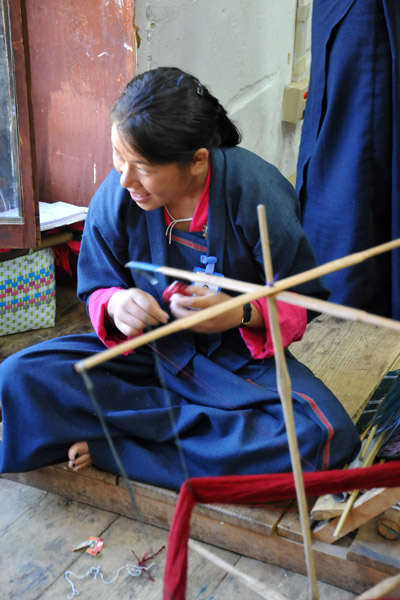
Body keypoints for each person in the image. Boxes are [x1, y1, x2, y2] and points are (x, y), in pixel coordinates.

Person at [0, 67, 360, 491]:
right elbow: (97, 286)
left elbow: (301, 297)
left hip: (234, 364)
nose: (125, 178)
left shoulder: (255, 192)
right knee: (19, 375)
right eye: (119, 156)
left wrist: (241, 312)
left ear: (197, 161)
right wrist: (116, 304)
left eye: (143, 166)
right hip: (149, 355)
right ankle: (202, 433)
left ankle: (123, 448)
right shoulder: (119, 196)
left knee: (324, 436)